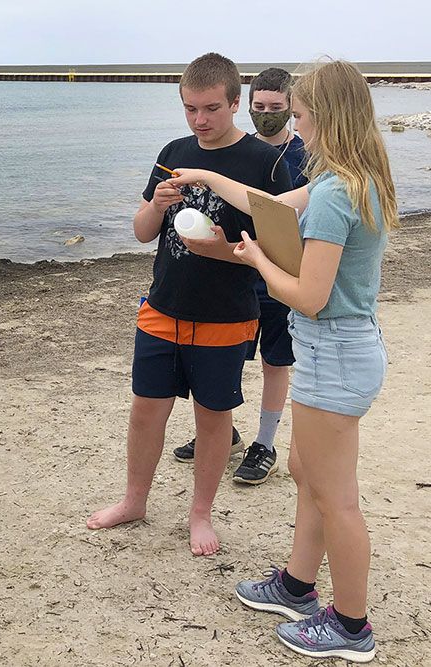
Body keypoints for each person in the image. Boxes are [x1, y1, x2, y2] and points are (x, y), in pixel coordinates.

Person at [169, 59, 395, 663]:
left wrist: (254, 259)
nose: (290, 124)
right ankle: (296, 585)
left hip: (334, 349)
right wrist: (207, 178)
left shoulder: (334, 194)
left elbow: (307, 295)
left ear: (324, 116)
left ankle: (350, 626)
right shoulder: (353, 177)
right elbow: (267, 202)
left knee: (335, 495)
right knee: (304, 469)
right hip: (340, 348)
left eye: (297, 115)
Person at [85, 53, 291, 556]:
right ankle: (134, 500)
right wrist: (155, 205)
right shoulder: (174, 151)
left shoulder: (266, 163)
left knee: (213, 417)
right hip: (162, 306)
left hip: (227, 315)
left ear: (236, 103)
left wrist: (225, 251)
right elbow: (140, 234)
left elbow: (286, 257)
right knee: (145, 412)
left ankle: (201, 515)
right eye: (190, 108)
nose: (200, 120)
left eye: (211, 109)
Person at [173, 67, 308, 484]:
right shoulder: (236, 150)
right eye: (259, 107)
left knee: (274, 358)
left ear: (291, 109)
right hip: (233, 276)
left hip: (276, 272)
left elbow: (283, 215)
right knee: (224, 358)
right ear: (245, 106)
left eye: (277, 109)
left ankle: (264, 442)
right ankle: (222, 429)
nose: (266, 115)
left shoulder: (300, 156)